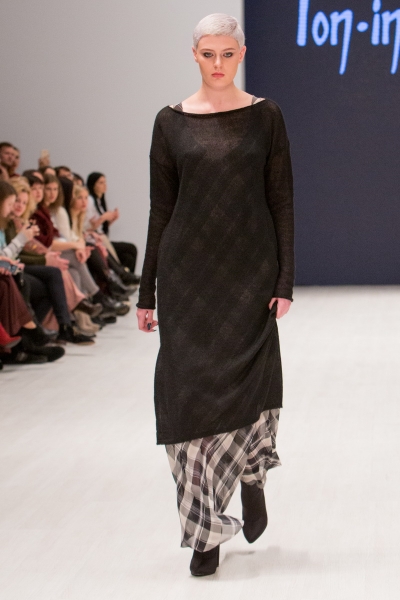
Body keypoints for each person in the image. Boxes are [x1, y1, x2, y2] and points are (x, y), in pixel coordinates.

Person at [136, 13, 294, 577]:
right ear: (195, 55)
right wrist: (146, 292)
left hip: (250, 275)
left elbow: (281, 200)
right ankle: (203, 529)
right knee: (187, 400)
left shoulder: (265, 116)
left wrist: (284, 280)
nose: (219, 64)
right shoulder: (170, 122)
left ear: (242, 53)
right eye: (209, 54)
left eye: (228, 53)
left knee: (251, 384)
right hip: (188, 279)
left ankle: (251, 475)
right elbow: (160, 210)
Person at [86, 172, 140, 284]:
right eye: (101, 182)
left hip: (101, 237)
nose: (105, 185)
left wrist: (110, 221)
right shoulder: (90, 201)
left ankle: (125, 281)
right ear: (93, 185)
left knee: (129, 255)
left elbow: (100, 228)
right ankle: (124, 279)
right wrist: (103, 218)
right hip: (96, 239)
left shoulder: (99, 201)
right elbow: (89, 227)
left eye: (105, 182)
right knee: (129, 250)